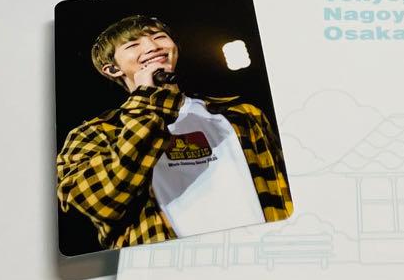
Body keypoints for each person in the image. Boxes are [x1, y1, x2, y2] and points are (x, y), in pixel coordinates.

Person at [57, 14, 293, 250]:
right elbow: (100, 201)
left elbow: (285, 188)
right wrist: (146, 101)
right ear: (112, 68)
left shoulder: (242, 115)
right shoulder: (94, 133)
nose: (152, 46)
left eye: (159, 37)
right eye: (133, 45)